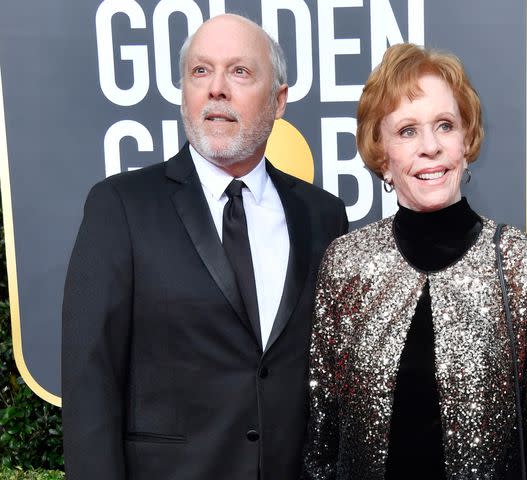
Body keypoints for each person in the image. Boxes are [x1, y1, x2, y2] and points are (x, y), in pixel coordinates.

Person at [62, 14, 348, 480]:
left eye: (239, 71)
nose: (216, 88)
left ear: (278, 101)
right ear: (184, 94)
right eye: (200, 71)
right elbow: (90, 386)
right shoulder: (120, 207)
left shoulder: (323, 216)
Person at [301, 43, 527, 479]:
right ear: (382, 154)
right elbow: (322, 436)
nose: (429, 147)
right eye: (407, 131)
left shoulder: (525, 264)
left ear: (466, 141)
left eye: (445, 126)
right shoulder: (345, 263)